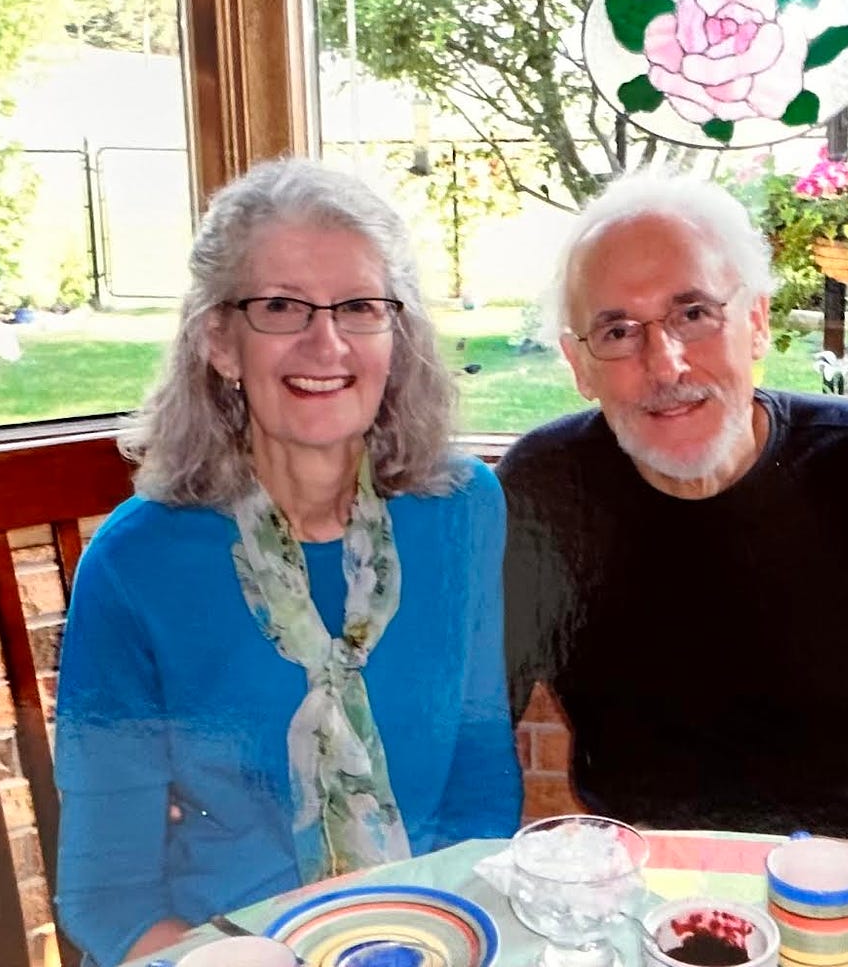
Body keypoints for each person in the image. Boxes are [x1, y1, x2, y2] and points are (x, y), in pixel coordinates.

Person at [55, 159, 522, 967]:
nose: (327, 341)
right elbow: (108, 897)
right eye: (280, 306)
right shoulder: (136, 563)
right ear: (219, 342)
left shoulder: (462, 507)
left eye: (360, 306)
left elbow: (480, 783)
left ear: (396, 331)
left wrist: (456, 938)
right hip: (229, 946)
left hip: (433, 936)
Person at [498, 173, 848, 857]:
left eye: (694, 314)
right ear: (580, 365)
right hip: (647, 858)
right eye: (618, 330)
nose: (666, 363)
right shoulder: (544, 487)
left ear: (757, 322)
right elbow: (475, 719)